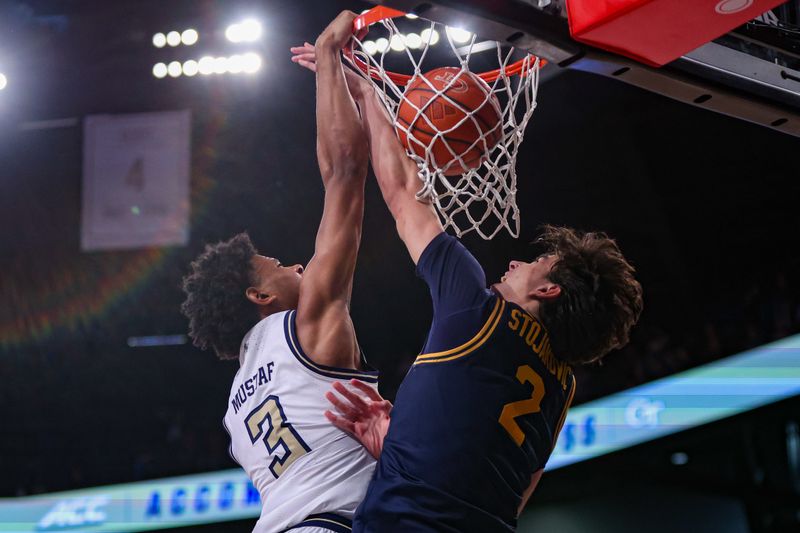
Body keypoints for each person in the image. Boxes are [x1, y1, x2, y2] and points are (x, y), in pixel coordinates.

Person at [291, 38, 644, 532]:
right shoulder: (559, 389)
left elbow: (401, 191)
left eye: (538, 263)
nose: (518, 262)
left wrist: (370, 94)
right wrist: (412, 448)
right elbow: (517, 490)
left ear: (549, 290)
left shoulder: (480, 312)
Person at [181, 12, 377, 533]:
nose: (296, 265)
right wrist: (331, 64)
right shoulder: (305, 324)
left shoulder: (235, 407)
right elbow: (344, 174)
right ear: (259, 295)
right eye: (277, 267)